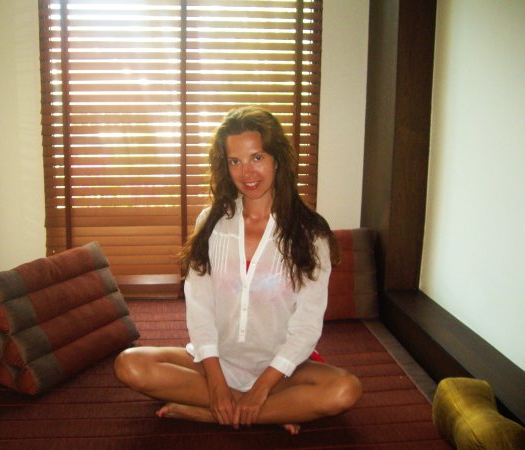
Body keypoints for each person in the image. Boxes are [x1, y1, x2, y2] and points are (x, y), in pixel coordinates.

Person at [114, 106, 362, 434]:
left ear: (277, 159)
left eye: (257, 157)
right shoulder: (211, 223)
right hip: (215, 364)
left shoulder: (310, 234)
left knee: (345, 389)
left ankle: (213, 412)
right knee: (130, 365)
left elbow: (306, 326)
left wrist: (262, 388)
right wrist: (217, 383)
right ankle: (264, 411)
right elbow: (200, 309)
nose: (247, 173)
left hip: (280, 372)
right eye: (235, 161)